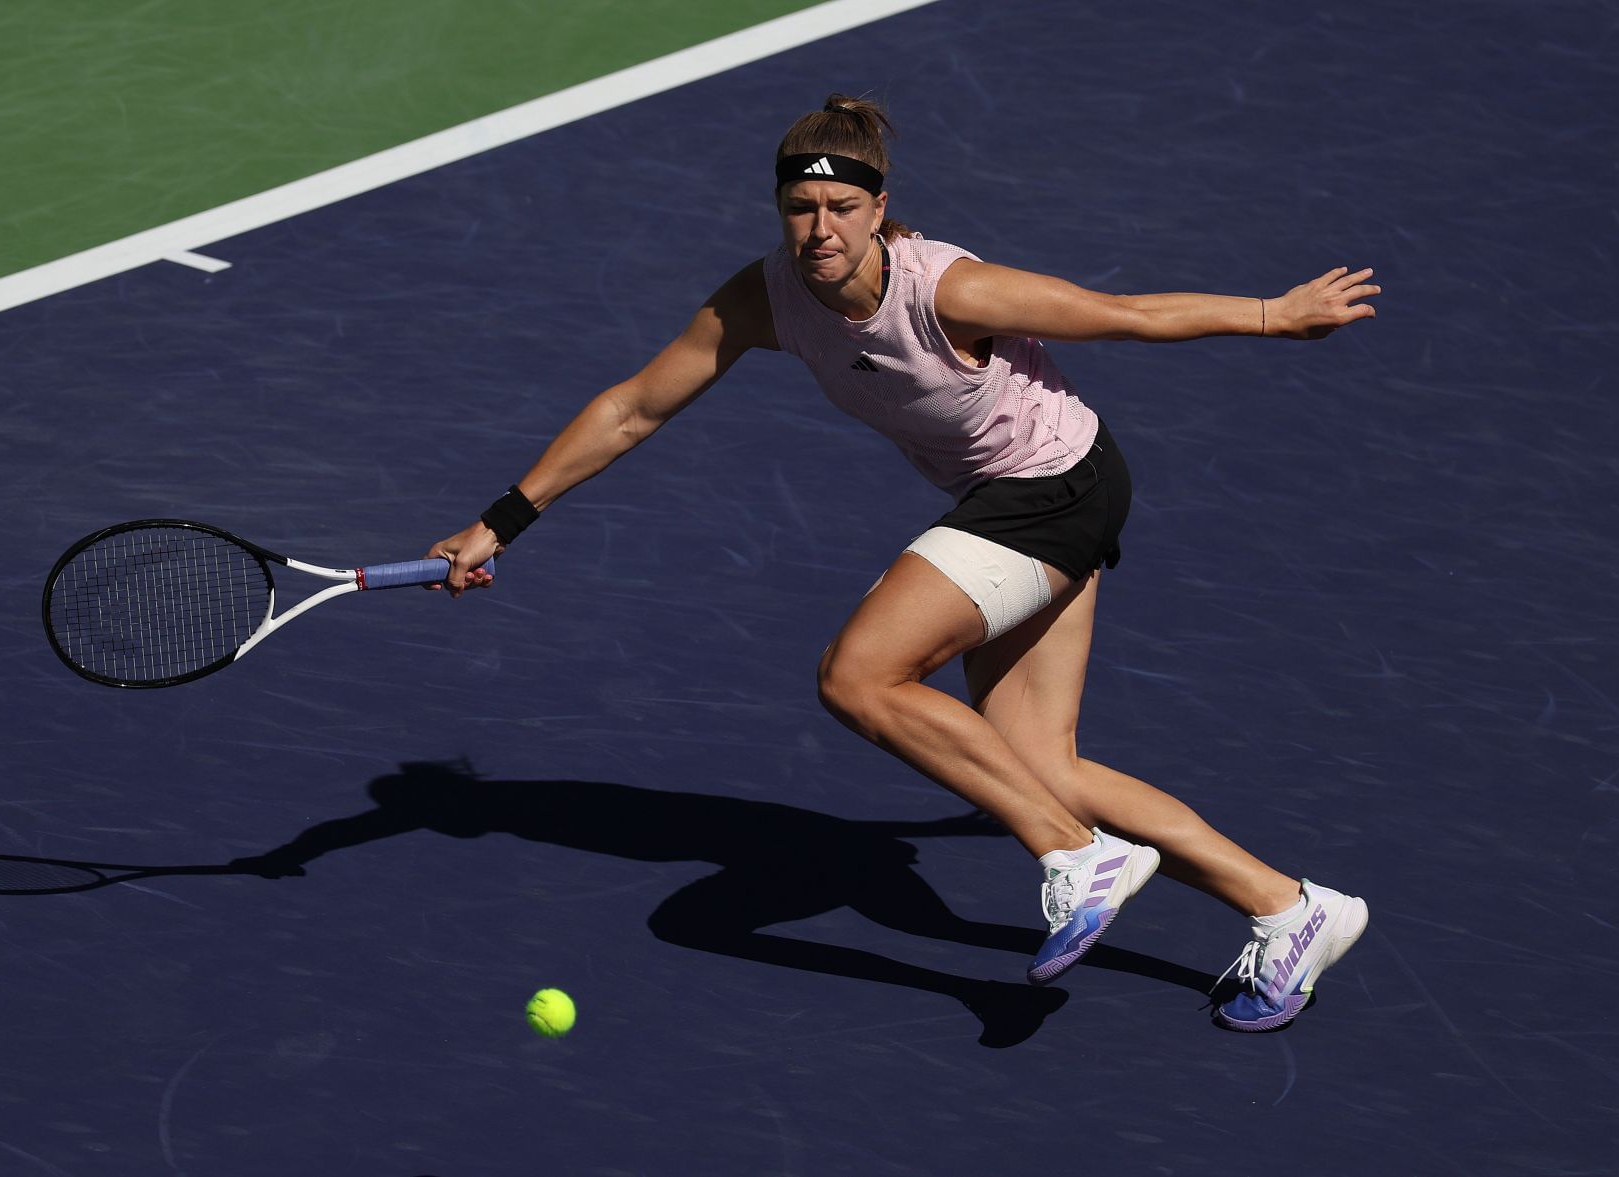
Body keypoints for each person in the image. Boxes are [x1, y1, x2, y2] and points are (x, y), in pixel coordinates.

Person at [425, 93, 1379, 1032]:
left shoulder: (947, 289)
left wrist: (1272, 313)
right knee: (1042, 762)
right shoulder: (768, 298)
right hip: (1031, 498)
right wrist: (503, 519)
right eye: (801, 207)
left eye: (842, 208)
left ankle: (1073, 855)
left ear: (880, 209)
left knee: (861, 674)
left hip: (1056, 489)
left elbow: (1121, 313)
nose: (820, 228)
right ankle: (1292, 909)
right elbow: (633, 407)